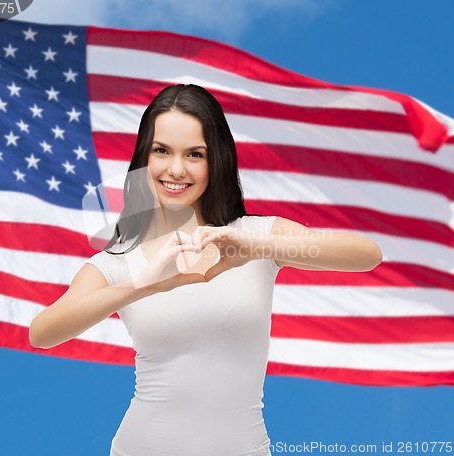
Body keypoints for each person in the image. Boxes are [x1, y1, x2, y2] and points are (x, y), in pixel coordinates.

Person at [29, 84, 383, 456]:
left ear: (217, 160)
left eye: (194, 154)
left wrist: (258, 247)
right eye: (161, 151)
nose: (176, 169)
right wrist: (143, 285)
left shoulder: (253, 234)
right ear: (143, 157)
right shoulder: (118, 260)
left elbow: (365, 254)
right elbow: (43, 332)